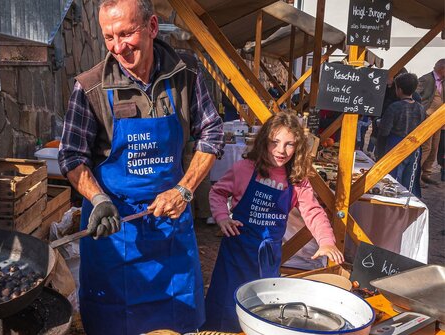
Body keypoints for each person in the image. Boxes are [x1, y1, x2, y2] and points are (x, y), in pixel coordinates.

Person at [57, 0, 224, 333]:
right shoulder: (90, 87)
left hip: (170, 226)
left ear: (151, 27)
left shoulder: (185, 74)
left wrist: (185, 188)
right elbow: (71, 155)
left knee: (176, 321)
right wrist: (99, 200)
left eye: (126, 33)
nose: (118, 47)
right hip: (115, 229)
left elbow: (212, 131)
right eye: (109, 37)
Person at [203, 112, 344, 332]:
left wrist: (327, 241)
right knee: (225, 304)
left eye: (289, 144)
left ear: (298, 147)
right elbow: (218, 192)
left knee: (263, 305)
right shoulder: (244, 169)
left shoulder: (297, 180)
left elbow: (313, 212)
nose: (281, 150)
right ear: (263, 142)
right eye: (275, 142)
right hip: (236, 252)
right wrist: (222, 217)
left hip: (268, 257)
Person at [379, 73, 426, 198]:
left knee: (393, 181)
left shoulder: (394, 107)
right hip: (415, 146)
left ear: (398, 89)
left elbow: (384, 131)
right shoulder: (420, 108)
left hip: (395, 145)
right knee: (409, 182)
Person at [416, 59, 444, 186]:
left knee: (434, 148)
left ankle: (426, 174)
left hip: (438, 120)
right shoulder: (426, 79)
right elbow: (416, 95)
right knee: (426, 147)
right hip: (427, 118)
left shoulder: (443, 82)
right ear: (442, 69)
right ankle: (415, 175)